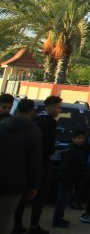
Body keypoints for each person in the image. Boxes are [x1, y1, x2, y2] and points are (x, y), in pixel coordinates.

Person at [14, 95, 62, 234]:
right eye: (58, 107)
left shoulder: (35, 119)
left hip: (26, 162)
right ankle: (34, 225)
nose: (59, 110)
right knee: (39, 196)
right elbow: (48, 145)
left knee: (23, 197)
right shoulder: (50, 122)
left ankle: (18, 225)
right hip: (42, 163)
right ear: (51, 107)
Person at [0, 98, 42, 234]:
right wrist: (34, 185)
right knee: (3, 221)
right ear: (32, 112)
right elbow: (34, 161)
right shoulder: (33, 131)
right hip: (14, 183)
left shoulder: (2, 125)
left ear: (16, 109)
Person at [52, 130, 88, 228]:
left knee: (65, 199)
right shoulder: (70, 151)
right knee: (62, 200)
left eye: (83, 138)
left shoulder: (78, 149)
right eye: (78, 138)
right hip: (66, 179)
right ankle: (57, 220)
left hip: (72, 179)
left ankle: (60, 217)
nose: (81, 140)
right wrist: (68, 179)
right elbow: (66, 168)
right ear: (73, 139)